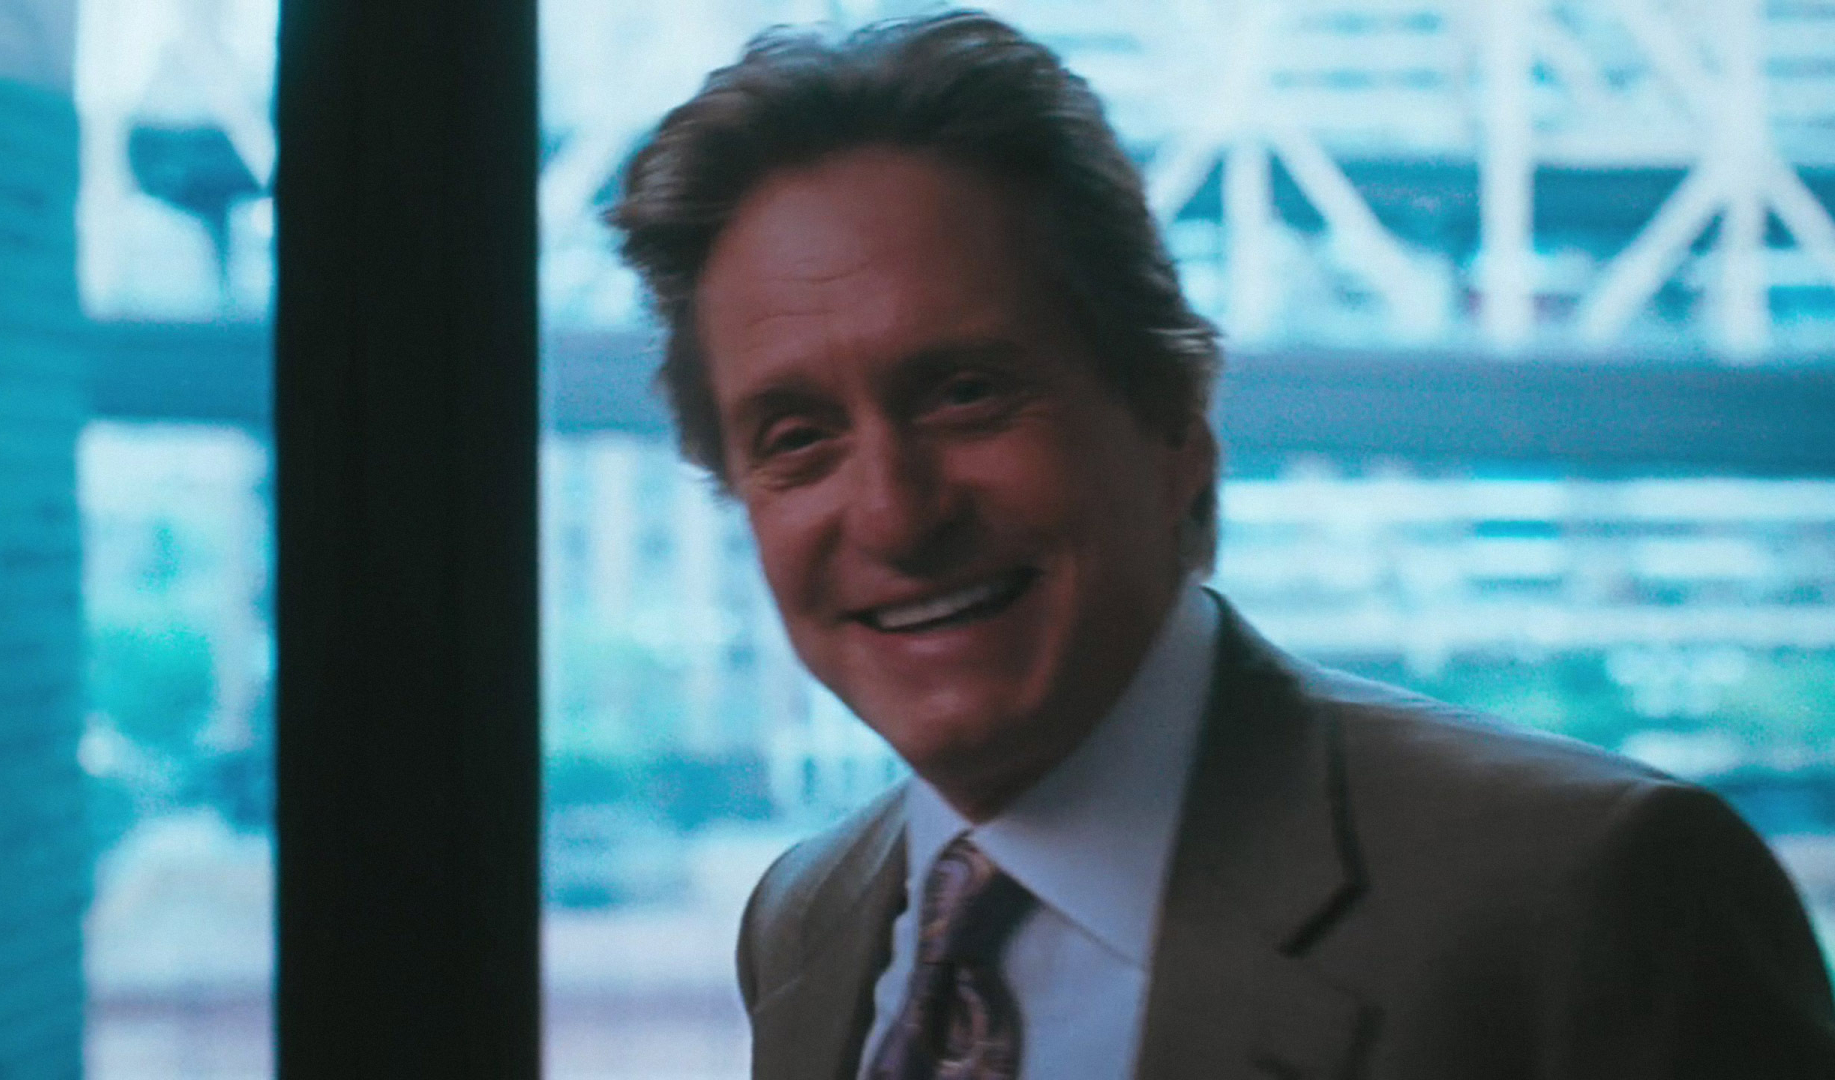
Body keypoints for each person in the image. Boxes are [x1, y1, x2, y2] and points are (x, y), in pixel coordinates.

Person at [607, 11, 1835, 1079]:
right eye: (797, 438)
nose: (892, 513)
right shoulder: (808, 919)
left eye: (967, 392)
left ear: (1173, 424)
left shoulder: (1597, 898)